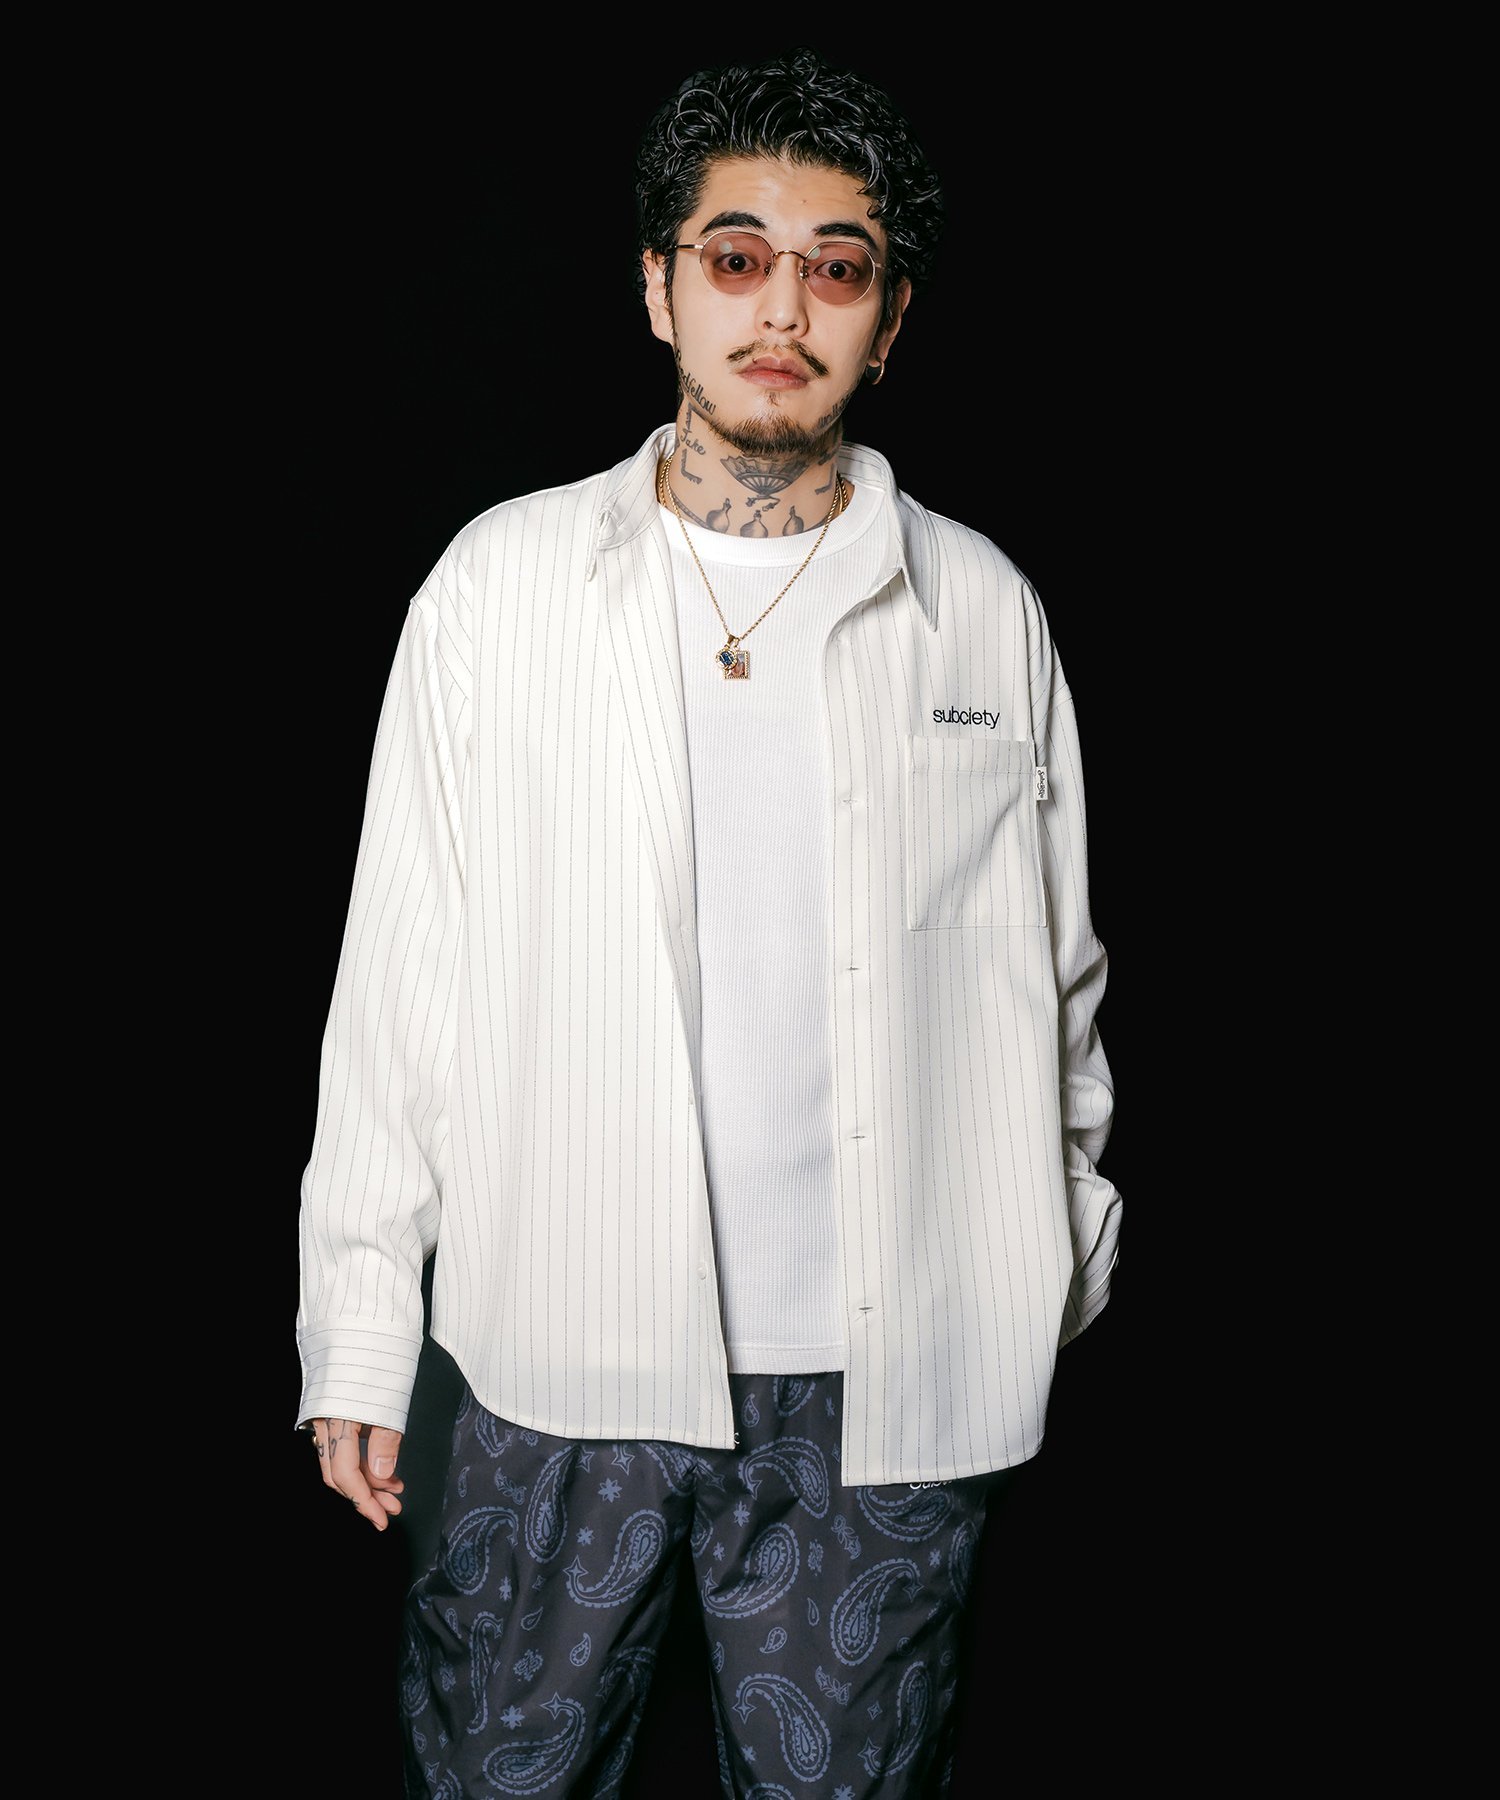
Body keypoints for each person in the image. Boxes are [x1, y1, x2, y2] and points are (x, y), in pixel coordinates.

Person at [295, 47, 1122, 1798]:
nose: (782, 310)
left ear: (889, 321)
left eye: (838, 267)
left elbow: (1056, 990)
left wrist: (1053, 1260)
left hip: (883, 1397)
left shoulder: (982, 610)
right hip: (553, 1356)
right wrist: (359, 1326)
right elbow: (401, 986)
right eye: (736, 256)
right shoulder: (503, 588)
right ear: (661, 286)